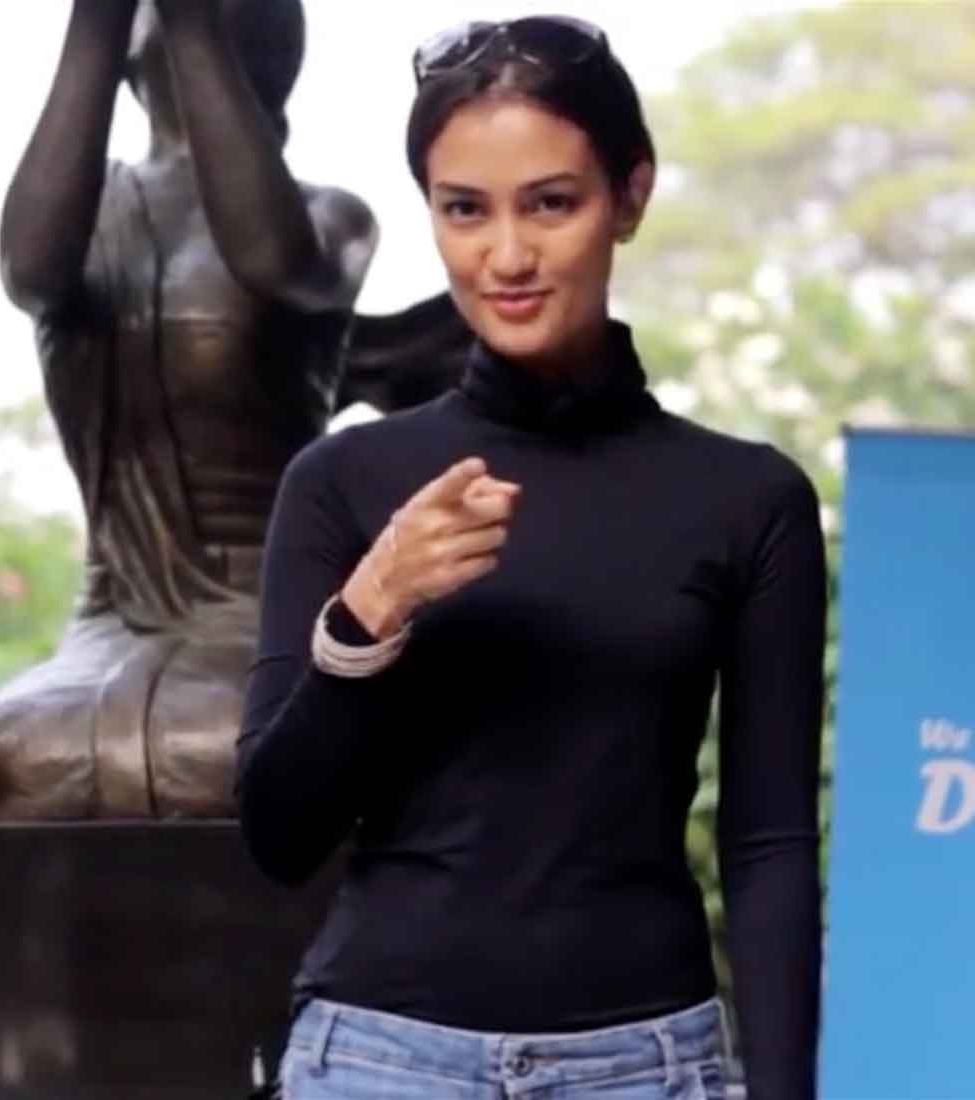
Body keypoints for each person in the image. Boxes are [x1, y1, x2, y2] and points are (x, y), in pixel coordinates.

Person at [236, 16, 823, 1100]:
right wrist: (369, 611)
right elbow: (278, 835)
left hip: (645, 1065)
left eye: (550, 203)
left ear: (630, 196)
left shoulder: (747, 500)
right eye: (465, 209)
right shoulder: (344, 482)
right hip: (377, 1062)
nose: (506, 256)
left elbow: (769, 846)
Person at [0, 0, 387, 820]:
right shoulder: (87, 215)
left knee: (237, 740)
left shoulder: (331, 218)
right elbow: (29, 271)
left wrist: (191, 26)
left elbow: (271, 261)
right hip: (112, 624)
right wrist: (95, 19)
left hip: (260, 617)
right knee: (19, 750)